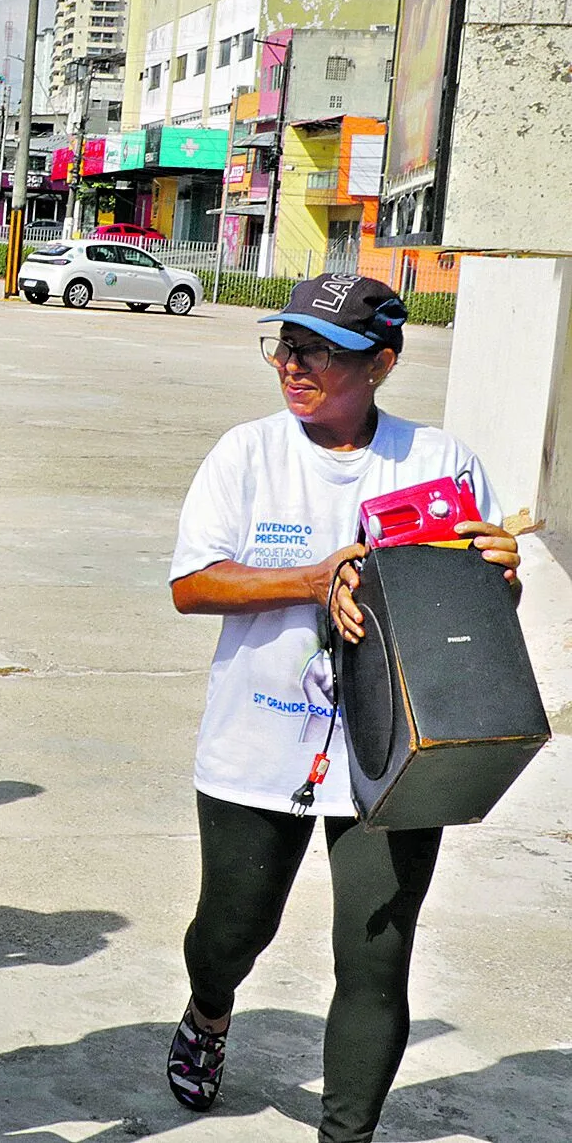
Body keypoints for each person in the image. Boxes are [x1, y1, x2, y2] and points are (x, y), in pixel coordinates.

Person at [164, 273, 522, 1141]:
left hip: (397, 750)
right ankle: (208, 1013)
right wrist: (315, 578)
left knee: (374, 959)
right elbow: (190, 586)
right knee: (229, 933)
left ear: (383, 363)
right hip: (259, 741)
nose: (294, 365)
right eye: (285, 346)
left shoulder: (437, 461)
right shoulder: (247, 454)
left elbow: (471, 613)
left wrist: (496, 576)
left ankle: (345, 1133)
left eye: (322, 352)